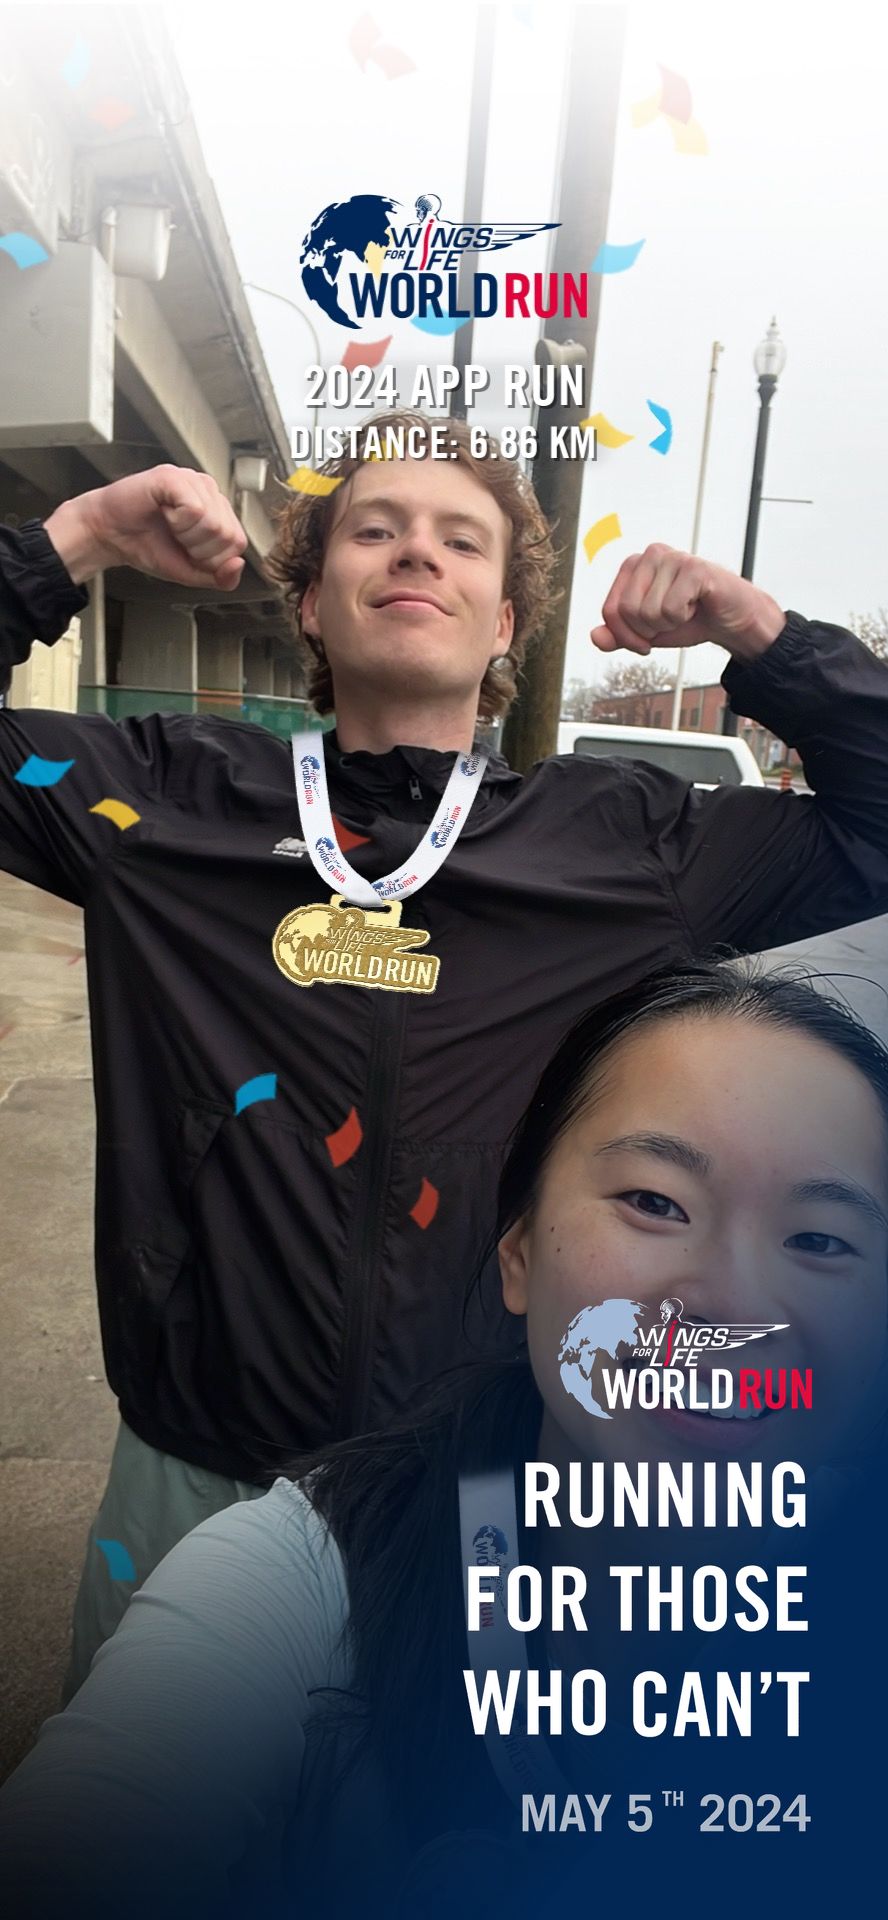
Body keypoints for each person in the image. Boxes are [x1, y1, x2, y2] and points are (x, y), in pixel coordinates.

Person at [4, 410, 888, 1692]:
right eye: (375, 530)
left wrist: (760, 633)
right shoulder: (164, 801)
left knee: (445, 1809)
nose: (417, 552)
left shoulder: (628, 847)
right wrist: (74, 537)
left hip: (490, 1493)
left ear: (504, 625)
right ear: (311, 606)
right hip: (194, 1466)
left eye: (461, 540)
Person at [1, 958, 885, 1917]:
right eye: (655, 1201)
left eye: (820, 1240)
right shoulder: (313, 1574)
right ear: (517, 1251)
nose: (732, 1305)